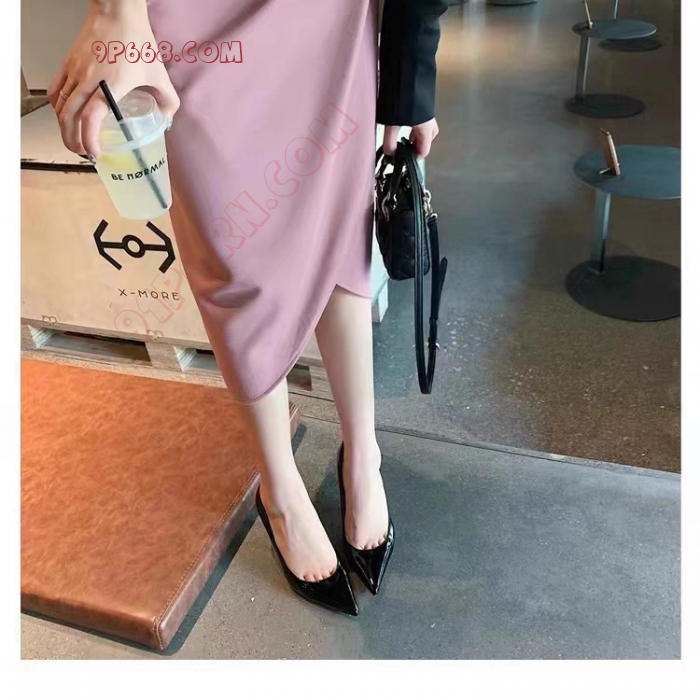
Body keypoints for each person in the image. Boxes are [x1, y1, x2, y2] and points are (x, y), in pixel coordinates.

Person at [49, 0, 448, 616]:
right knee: (232, 252)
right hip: (191, 20)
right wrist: (116, 13)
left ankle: (362, 450)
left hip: (328, 18)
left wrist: (409, 76)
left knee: (339, 225)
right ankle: (280, 489)